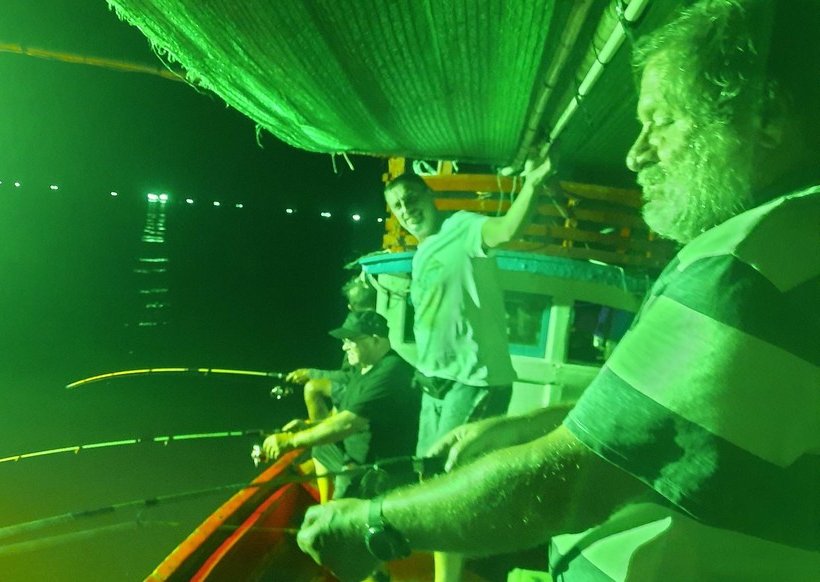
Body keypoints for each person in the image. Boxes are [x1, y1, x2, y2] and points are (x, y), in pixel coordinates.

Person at [296, 1, 820, 580]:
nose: (635, 151)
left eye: (660, 119)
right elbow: (665, 424)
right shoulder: (783, 253)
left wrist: (374, 524)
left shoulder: (749, 270)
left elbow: (570, 482)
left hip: (469, 383)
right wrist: (525, 426)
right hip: (438, 382)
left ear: (766, 118)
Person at [383, 149, 552, 581]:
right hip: (436, 383)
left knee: (448, 482)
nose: (406, 211)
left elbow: (507, 229)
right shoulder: (421, 253)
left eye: (411, 199)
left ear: (429, 196)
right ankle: (467, 561)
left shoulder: (463, 227)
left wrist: (531, 184)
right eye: (397, 207)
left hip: (475, 381)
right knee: (429, 475)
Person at [263, 310, 421, 502]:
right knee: (320, 449)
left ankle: (336, 508)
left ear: (375, 339)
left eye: (350, 340)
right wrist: (310, 428)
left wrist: (290, 441)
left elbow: (346, 424)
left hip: (375, 466)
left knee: (336, 517)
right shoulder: (364, 368)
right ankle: (324, 502)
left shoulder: (390, 372)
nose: (344, 347)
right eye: (343, 341)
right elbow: (343, 415)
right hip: (355, 451)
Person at [285, 276, 379, 426]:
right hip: (364, 385)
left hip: (364, 389)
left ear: (351, 307)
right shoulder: (380, 322)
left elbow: (351, 376)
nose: (344, 346)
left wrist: (310, 374)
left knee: (313, 388)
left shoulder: (358, 329)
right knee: (334, 399)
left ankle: (324, 444)